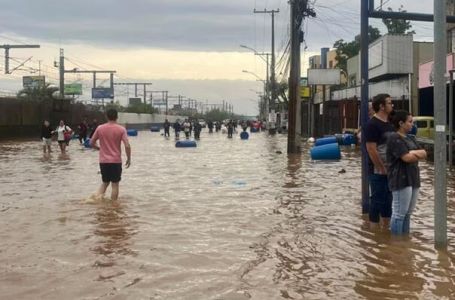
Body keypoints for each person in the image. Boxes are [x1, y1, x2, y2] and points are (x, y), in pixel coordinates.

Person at [387, 110, 426, 235]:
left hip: (413, 178)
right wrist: (414, 154)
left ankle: (404, 240)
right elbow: (406, 158)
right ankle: (396, 243)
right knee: (399, 213)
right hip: (400, 179)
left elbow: (424, 153)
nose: (412, 125)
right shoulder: (394, 138)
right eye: (410, 122)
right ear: (401, 123)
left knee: (408, 213)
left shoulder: (410, 138)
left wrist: (412, 153)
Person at [364, 93, 395, 229]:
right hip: (378, 171)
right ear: (382, 106)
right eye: (389, 103)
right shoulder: (372, 125)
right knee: (377, 199)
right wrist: (381, 168)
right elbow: (371, 149)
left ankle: (385, 228)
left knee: (388, 200)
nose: (392, 105)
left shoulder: (390, 123)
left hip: (391, 169)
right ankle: (374, 231)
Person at [90, 108, 131, 201]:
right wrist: (129, 158)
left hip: (103, 161)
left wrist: (99, 148)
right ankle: (113, 208)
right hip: (116, 161)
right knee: (115, 185)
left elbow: (91, 143)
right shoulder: (121, 129)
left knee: (105, 183)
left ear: (106, 116)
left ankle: (95, 200)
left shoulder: (100, 128)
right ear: (117, 117)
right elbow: (127, 145)